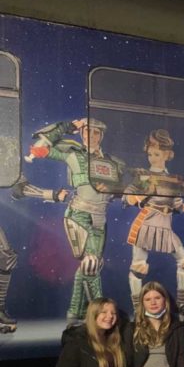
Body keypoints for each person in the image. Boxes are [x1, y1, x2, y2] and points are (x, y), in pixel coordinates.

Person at [27, 118, 124, 325]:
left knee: (90, 266)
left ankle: (74, 313)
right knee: (90, 263)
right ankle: (100, 314)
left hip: (100, 216)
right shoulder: (73, 154)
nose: (91, 135)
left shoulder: (113, 162)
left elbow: (125, 188)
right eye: (87, 131)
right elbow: (39, 148)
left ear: (101, 135)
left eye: (96, 132)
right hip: (79, 213)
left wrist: (116, 190)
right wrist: (67, 127)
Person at [123, 129, 184, 317]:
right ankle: (138, 310)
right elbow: (127, 198)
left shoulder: (176, 180)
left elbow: (180, 207)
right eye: (150, 154)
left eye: (156, 154)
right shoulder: (142, 176)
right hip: (147, 222)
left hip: (165, 224)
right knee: (138, 267)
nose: (152, 158)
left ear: (167, 154)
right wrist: (142, 194)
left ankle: (182, 306)